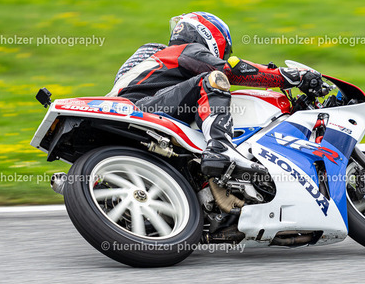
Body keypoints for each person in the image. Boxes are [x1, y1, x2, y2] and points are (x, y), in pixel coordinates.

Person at [109, 11, 324, 176]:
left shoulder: (161, 62)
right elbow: (231, 71)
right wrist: (292, 76)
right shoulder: (186, 50)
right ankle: (220, 148)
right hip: (139, 108)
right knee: (214, 79)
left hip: (130, 114)